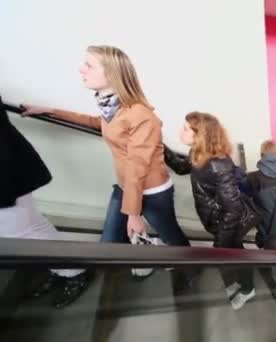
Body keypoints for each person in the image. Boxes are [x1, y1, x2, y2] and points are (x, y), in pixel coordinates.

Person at [23, 45, 190, 248]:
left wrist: (134, 214)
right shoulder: (112, 107)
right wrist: (50, 111)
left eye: (89, 65)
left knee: (174, 240)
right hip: (125, 187)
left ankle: (190, 272)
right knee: (109, 244)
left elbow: (138, 167)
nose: (81, 69)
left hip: (151, 192)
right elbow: (99, 123)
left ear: (111, 74)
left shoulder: (141, 116)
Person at [0, 96, 91, 309]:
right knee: (32, 227)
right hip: (10, 174)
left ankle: (74, 272)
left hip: (7, 177)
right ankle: (66, 270)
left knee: (21, 233)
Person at [164, 112, 257, 310]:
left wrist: (220, 242)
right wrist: (161, 148)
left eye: (186, 129)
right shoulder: (197, 153)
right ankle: (238, 283)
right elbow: (181, 168)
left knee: (238, 255)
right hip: (218, 222)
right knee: (235, 255)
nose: (181, 131)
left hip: (229, 225)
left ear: (201, 135)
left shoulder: (218, 165)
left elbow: (233, 208)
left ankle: (248, 289)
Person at [244, 140, 276, 250]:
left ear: (262, 154)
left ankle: (270, 266)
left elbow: (246, 194)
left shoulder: (253, 178)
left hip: (268, 220)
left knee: (271, 253)